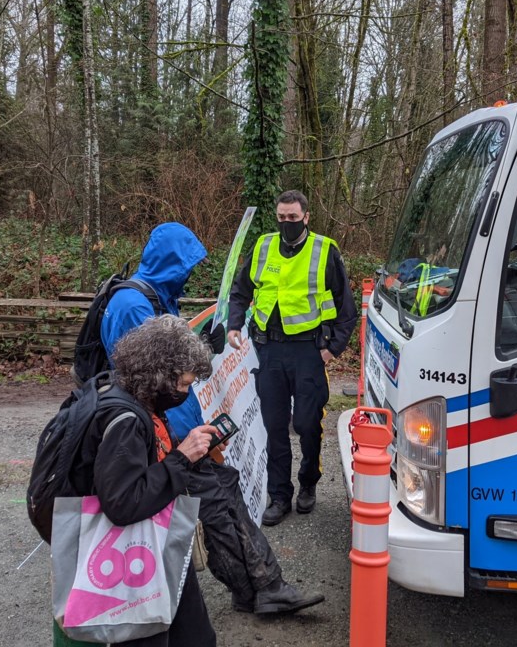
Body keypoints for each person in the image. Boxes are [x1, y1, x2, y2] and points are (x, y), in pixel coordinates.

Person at [101, 221, 324, 614]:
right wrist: (184, 436)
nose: (188, 276)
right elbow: (154, 380)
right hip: (166, 438)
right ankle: (260, 588)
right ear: (170, 264)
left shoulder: (154, 297)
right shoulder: (134, 304)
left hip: (179, 430)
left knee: (223, 493)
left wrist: (203, 344)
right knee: (215, 507)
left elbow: (167, 369)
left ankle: (259, 587)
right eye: (184, 268)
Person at [54, 314, 219, 647]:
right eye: (183, 385)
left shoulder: (126, 390)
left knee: (194, 633)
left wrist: (188, 450)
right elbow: (123, 504)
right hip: (133, 558)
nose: (184, 393)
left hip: (150, 543)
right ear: (159, 376)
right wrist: (181, 458)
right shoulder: (127, 419)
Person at [227, 191, 357, 526]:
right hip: (268, 351)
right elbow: (240, 291)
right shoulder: (263, 246)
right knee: (274, 426)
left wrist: (332, 349)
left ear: (306, 217)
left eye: (293, 218)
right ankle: (280, 495)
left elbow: (346, 309)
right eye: (282, 217)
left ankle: (308, 483)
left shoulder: (324, 250)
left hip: (308, 352)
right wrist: (233, 324)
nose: (286, 223)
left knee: (305, 424)